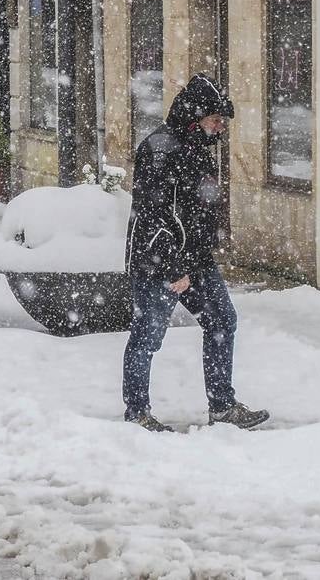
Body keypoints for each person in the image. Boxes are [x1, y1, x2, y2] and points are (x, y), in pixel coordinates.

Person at [121, 73, 269, 433]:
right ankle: (137, 413)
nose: (220, 128)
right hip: (158, 263)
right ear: (196, 117)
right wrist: (173, 269)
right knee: (147, 335)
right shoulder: (160, 149)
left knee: (221, 321)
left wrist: (199, 256)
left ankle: (222, 406)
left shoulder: (197, 150)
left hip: (195, 261)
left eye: (222, 121)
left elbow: (200, 213)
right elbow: (154, 216)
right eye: (215, 120)